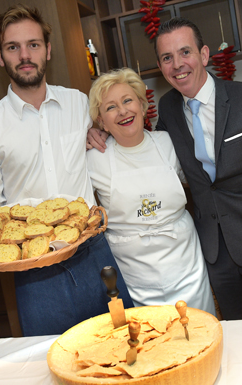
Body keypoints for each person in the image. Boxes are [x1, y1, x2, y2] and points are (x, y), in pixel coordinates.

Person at [88, 17, 242, 320]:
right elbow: (145, 151)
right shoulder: (170, 110)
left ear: (203, 55)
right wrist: (95, 131)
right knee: (232, 340)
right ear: (161, 67)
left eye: (185, 52)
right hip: (214, 254)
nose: (177, 64)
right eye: (167, 58)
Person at [0, 4, 133, 336]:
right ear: (0, 56)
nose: (24, 55)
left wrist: (97, 130)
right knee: (48, 360)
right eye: (13, 47)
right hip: (35, 270)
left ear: (48, 50)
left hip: (94, 252)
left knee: (124, 345)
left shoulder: (79, 104)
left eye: (33, 44)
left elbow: (123, 131)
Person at [87, 68, 216, 315]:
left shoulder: (169, 142)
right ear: (101, 121)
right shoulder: (93, 160)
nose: (123, 111)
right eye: (111, 107)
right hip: (133, 279)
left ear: (143, 105)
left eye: (128, 100)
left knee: (200, 333)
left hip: (186, 268)